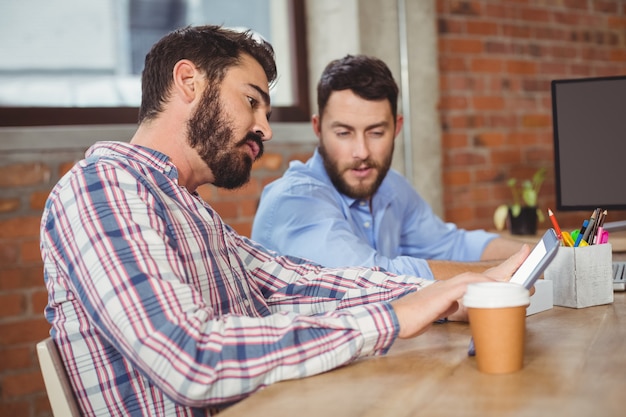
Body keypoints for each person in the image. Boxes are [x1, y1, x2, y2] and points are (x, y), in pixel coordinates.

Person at [40, 26, 529, 416]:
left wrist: (444, 293)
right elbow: (191, 358)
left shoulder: (189, 210)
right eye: (251, 100)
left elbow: (301, 283)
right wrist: (396, 316)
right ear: (188, 81)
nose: (266, 128)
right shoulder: (103, 187)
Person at [252, 54, 525, 281]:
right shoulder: (294, 201)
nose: (362, 152)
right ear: (318, 129)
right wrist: (501, 272)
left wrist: (537, 255)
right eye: (344, 133)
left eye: (376, 132)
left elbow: (454, 245)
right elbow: (377, 280)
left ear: (397, 128)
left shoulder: (391, 187)